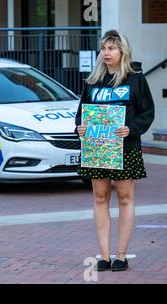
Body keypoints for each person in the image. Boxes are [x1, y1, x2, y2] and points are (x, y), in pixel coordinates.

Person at [75, 30, 155, 271]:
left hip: (125, 148)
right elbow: (82, 113)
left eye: (112, 48)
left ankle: (121, 255)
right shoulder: (93, 81)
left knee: (124, 198)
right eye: (104, 49)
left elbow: (147, 112)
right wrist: (80, 127)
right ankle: (104, 255)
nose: (106, 53)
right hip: (97, 148)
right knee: (100, 198)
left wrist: (130, 129)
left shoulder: (135, 78)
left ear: (123, 52)